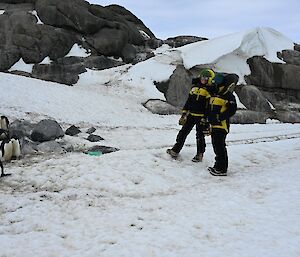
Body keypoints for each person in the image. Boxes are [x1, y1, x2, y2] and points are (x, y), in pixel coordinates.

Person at [167, 68, 215, 162]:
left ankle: (199, 154)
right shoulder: (194, 88)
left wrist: (206, 118)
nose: (203, 79)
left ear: (210, 79)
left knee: (200, 136)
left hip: (201, 117)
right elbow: (188, 101)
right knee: (183, 133)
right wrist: (184, 113)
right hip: (191, 115)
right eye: (202, 77)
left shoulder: (210, 91)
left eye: (206, 78)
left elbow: (209, 107)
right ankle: (175, 150)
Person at [207, 73, 238, 176]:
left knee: (220, 147)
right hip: (214, 125)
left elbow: (232, 109)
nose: (214, 85)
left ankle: (222, 169)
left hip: (222, 125)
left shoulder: (228, 95)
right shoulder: (215, 94)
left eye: (215, 83)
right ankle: (218, 166)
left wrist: (220, 117)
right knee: (216, 146)